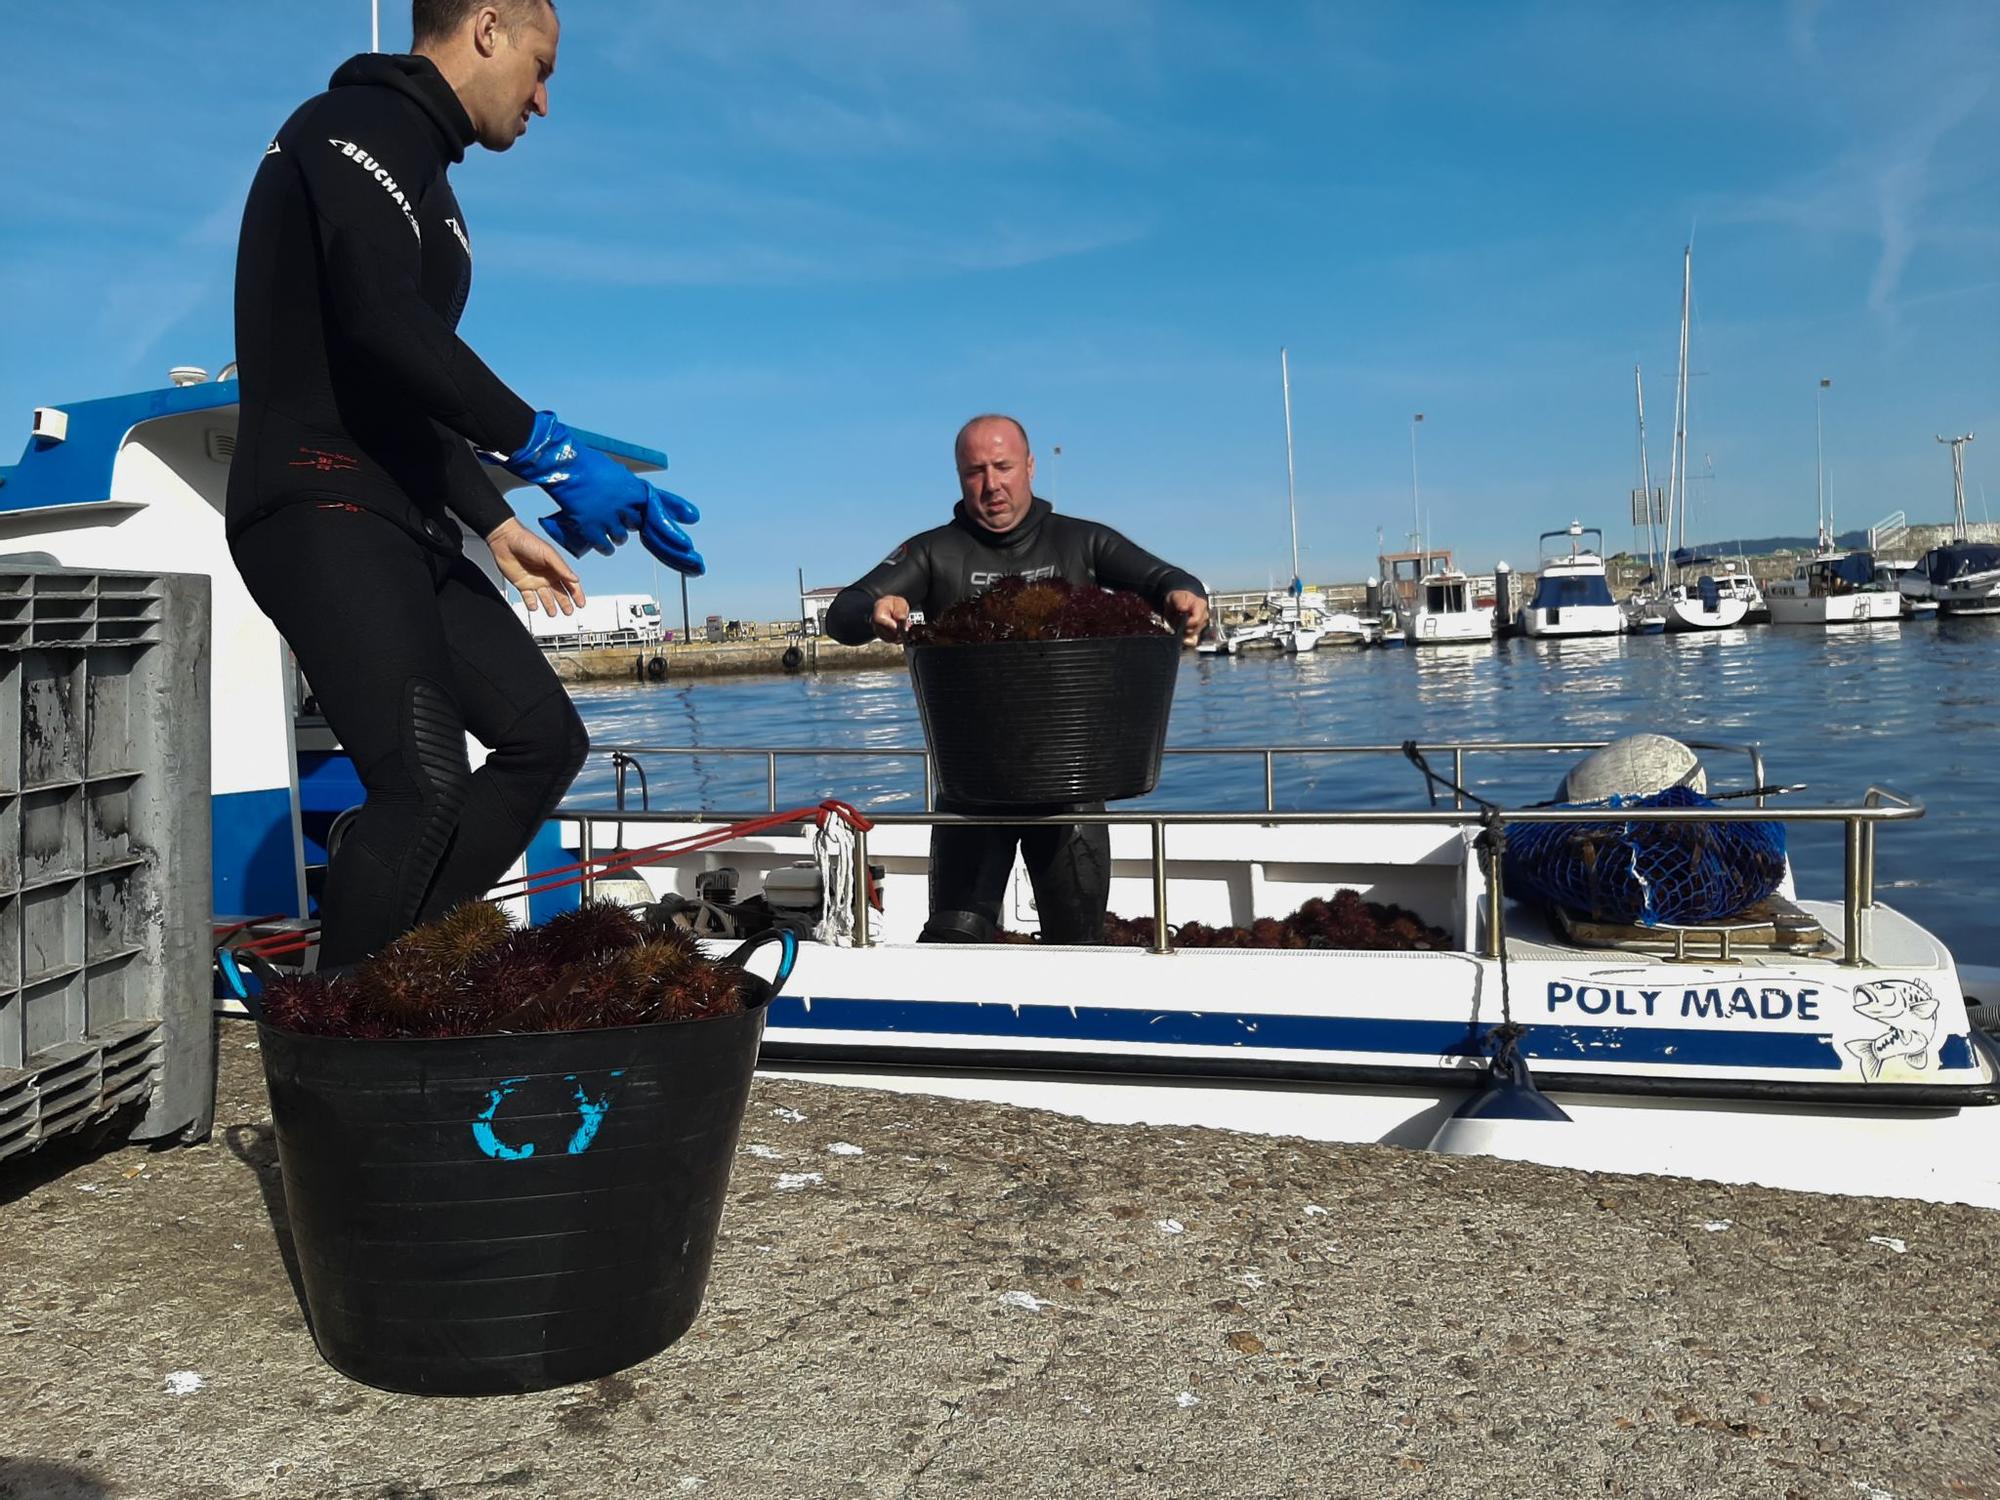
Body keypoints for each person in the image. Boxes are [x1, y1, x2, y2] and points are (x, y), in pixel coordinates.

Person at [227, 0, 704, 968]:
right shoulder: (346, 128)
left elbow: (404, 385)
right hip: (315, 497)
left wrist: (490, 520)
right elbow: (376, 320)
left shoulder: (439, 193)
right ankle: (343, 1049)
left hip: (403, 514)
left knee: (543, 740)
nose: (543, 99)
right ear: (485, 27)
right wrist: (547, 450)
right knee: (422, 789)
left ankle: (393, 959)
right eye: (542, 66)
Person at [824, 414, 1208, 944]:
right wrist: (876, 609)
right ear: (960, 478)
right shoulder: (936, 551)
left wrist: (1183, 596)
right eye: (974, 472)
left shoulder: (1083, 542)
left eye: (1003, 467)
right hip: (973, 792)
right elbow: (842, 613)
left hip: (1072, 789)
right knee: (956, 942)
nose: (992, 484)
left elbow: (1168, 579)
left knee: (1078, 947)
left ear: (1029, 466)